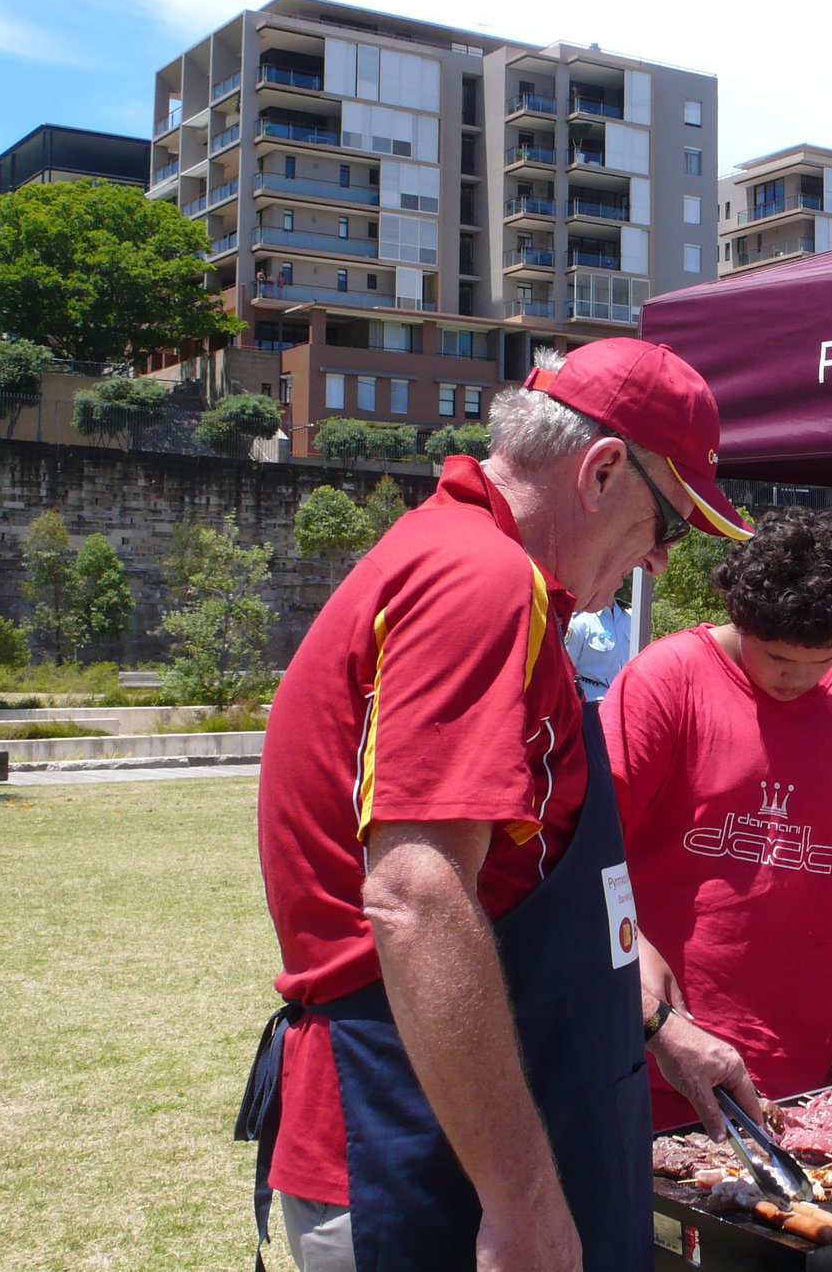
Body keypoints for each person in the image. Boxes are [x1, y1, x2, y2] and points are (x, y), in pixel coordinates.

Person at [246, 338, 755, 1272]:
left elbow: (528, 880)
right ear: (603, 471)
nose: (656, 562)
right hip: (415, 1137)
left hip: (464, 1117)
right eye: (668, 525)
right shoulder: (480, 580)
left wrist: (654, 1024)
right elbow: (418, 896)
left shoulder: (480, 567)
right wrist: (519, 1200)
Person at [609, 510, 832, 1127]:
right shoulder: (665, 680)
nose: (797, 679)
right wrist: (639, 983)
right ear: (742, 618)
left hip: (810, 1047)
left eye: (820, 661)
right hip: (670, 1045)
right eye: (779, 658)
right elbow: (584, 854)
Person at [565, 595, 634, 702]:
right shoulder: (579, 620)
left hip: (628, 704)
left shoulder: (630, 616)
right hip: (592, 707)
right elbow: (565, 673)